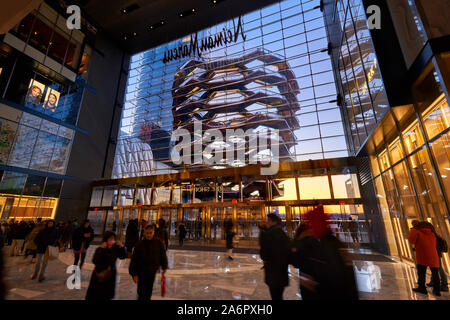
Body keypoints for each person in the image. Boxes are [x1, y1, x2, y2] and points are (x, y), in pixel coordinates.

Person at [291, 207, 358, 300]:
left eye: (311, 224)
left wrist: (313, 285)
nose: (310, 228)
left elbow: (337, 281)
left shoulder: (328, 246)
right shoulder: (331, 243)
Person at [129, 225, 169, 300]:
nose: (149, 235)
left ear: (154, 232)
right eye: (147, 233)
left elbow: (163, 255)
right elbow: (134, 260)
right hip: (141, 272)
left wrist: (164, 266)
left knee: (149, 290)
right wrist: (134, 274)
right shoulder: (139, 244)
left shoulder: (158, 243)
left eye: (150, 233)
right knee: (141, 292)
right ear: (144, 233)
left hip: (152, 271)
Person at [85, 231, 127, 300]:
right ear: (106, 239)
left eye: (113, 239)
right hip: (98, 276)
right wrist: (102, 249)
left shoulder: (115, 248)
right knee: (96, 295)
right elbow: (95, 260)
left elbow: (123, 256)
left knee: (107, 295)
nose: (112, 241)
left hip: (110, 276)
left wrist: (122, 247)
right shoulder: (100, 248)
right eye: (110, 239)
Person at [259, 214, 290, 300]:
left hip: (272, 272)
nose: (267, 222)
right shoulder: (283, 234)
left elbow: (263, 254)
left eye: (268, 220)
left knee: (275, 296)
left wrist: (263, 231)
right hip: (282, 272)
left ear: (274, 222)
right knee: (279, 296)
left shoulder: (268, 234)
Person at [408, 220, 441, 296]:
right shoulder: (432, 232)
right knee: (435, 273)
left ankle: (422, 288)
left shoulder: (416, 231)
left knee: (421, 273)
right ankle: (437, 290)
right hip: (433, 254)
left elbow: (411, 240)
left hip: (422, 255)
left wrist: (412, 230)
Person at [427, 226, 449, 292]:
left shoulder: (433, 237)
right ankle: (433, 281)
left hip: (435, 254)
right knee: (435, 268)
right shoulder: (435, 236)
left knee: (439, 268)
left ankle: (444, 284)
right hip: (436, 254)